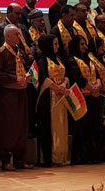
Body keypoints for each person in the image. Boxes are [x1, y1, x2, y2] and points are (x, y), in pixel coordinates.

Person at [0, 24, 31, 170]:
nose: (19, 37)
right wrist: (15, 78)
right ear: (7, 36)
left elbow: (25, 68)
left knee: (22, 125)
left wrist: (27, 75)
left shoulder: (19, 52)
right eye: (16, 34)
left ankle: (19, 159)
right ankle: (5, 159)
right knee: (8, 126)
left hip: (22, 92)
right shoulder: (1, 53)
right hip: (8, 94)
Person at [34, 34, 69, 167]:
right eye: (55, 44)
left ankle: (61, 156)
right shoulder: (42, 60)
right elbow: (43, 79)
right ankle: (50, 157)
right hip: (49, 98)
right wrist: (57, 88)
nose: (58, 46)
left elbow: (66, 75)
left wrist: (64, 84)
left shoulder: (58, 58)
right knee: (50, 127)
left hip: (60, 97)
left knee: (61, 126)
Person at [65, 35, 100, 164]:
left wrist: (98, 84)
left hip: (93, 96)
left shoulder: (89, 58)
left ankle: (92, 155)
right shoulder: (71, 60)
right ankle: (81, 157)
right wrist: (92, 87)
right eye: (81, 44)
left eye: (85, 44)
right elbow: (77, 77)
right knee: (81, 129)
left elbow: (97, 73)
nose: (85, 47)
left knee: (93, 127)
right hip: (80, 98)